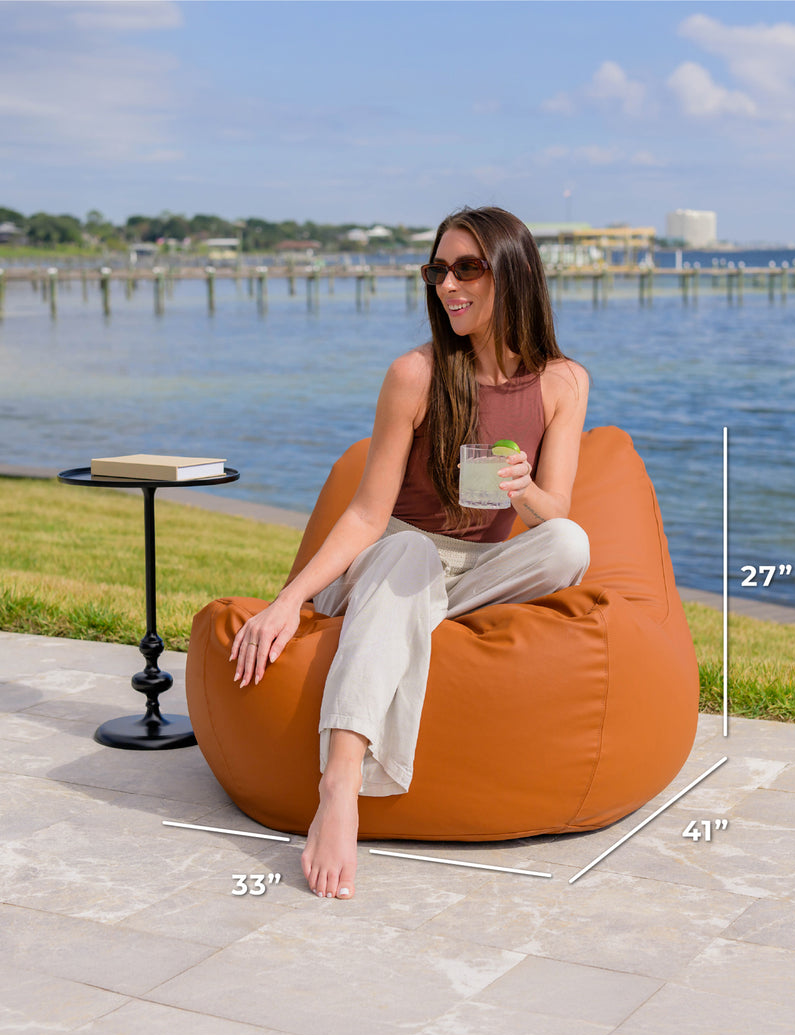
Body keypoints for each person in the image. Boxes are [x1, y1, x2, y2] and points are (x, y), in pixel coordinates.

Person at [230, 206, 590, 900]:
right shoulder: (415, 374)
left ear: (511, 274)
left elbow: (559, 514)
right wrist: (289, 600)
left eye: (466, 268)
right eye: (438, 269)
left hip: (478, 570)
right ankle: (341, 783)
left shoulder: (564, 382)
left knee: (569, 545)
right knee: (410, 561)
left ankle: (407, 625)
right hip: (396, 555)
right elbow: (367, 513)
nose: (447, 285)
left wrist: (524, 493)